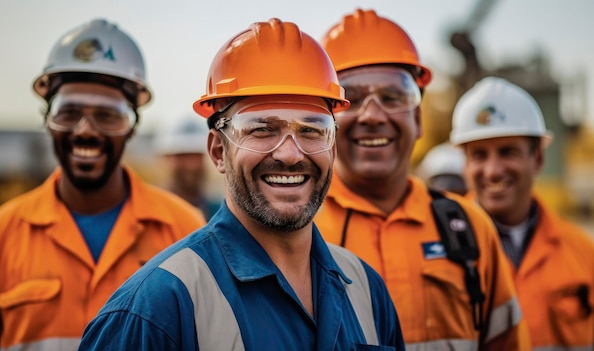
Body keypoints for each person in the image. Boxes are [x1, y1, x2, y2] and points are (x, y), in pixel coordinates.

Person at [78, 18, 405, 350]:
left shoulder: (366, 290)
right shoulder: (157, 309)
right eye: (262, 128)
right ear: (219, 151)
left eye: (311, 129)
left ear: (331, 149)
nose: (291, 154)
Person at [0, 19, 206, 351]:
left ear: (132, 127)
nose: (86, 131)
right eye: (69, 112)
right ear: (47, 120)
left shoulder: (186, 233)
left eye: (108, 115)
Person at [314, 8, 530, 350]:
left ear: (417, 118)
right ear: (324, 121)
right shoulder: (293, 234)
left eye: (392, 97)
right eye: (351, 98)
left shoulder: (470, 227)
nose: (373, 115)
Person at [450, 76, 594, 350]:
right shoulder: (435, 250)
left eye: (508, 152)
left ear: (537, 158)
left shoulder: (584, 254)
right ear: (465, 165)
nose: (493, 170)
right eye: (479, 155)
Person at [152, 113, 222, 220]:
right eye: (182, 156)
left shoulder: (219, 213)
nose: (191, 166)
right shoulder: (151, 212)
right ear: (165, 157)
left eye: (196, 156)